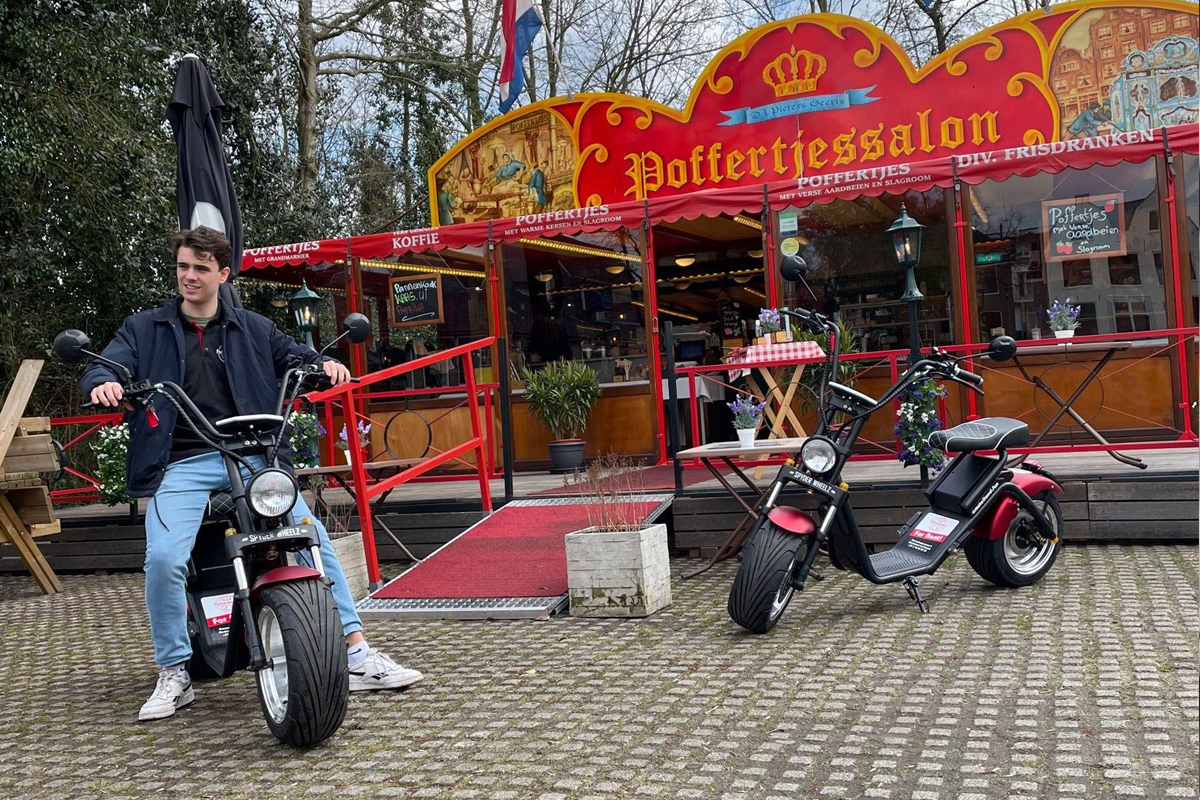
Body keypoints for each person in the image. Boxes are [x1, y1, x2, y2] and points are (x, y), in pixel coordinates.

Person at [81, 226, 423, 723]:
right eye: (183, 266)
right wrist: (104, 381)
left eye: (201, 267)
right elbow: (105, 365)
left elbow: (298, 356)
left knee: (312, 537)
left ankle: (355, 651)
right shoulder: (144, 328)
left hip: (253, 459)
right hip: (182, 463)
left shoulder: (253, 327)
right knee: (164, 558)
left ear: (223, 273)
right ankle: (175, 671)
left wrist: (326, 364)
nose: (189, 276)